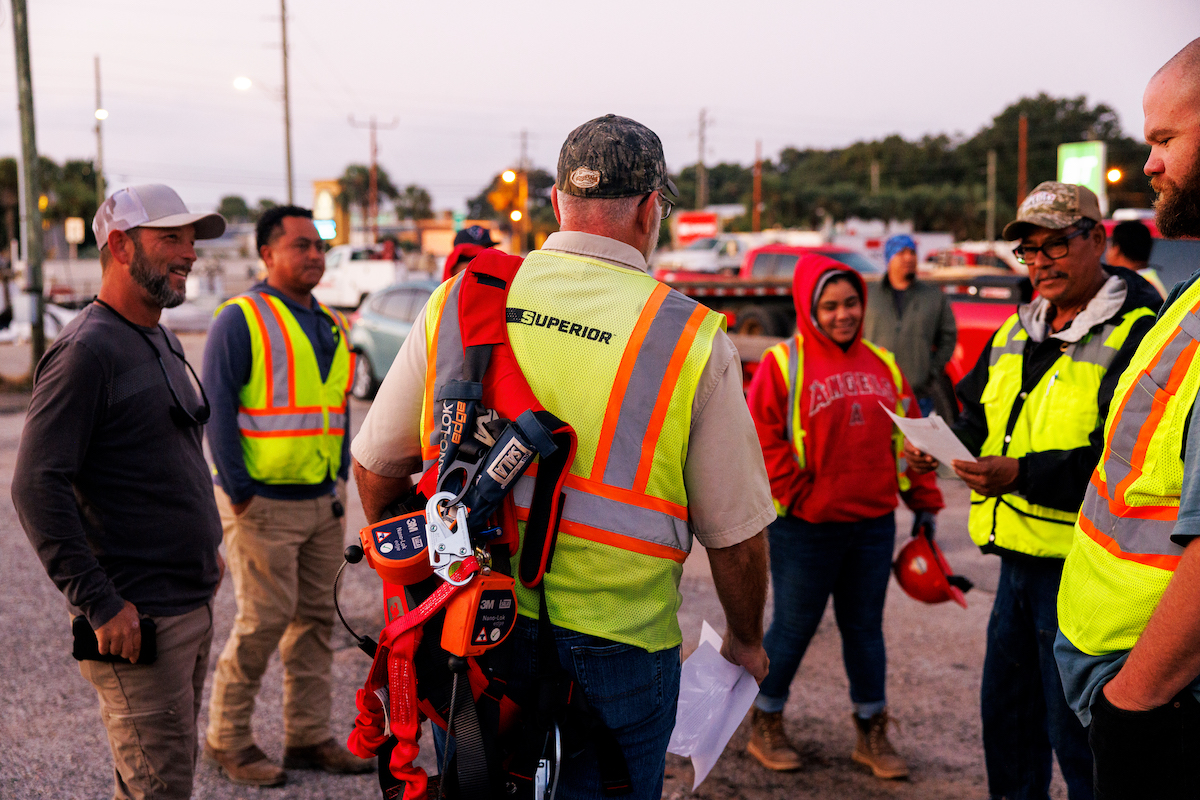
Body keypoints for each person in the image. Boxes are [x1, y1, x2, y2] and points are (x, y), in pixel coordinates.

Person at [351, 113, 773, 798]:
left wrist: (431, 574)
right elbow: (737, 539)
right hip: (622, 648)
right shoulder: (690, 336)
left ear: (555, 203)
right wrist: (746, 640)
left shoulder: (461, 300)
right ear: (649, 210)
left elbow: (376, 469)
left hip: (476, 625)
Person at [907, 181, 1161, 799]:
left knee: (1078, 739)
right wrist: (938, 444)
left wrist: (1017, 473)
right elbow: (974, 416)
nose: (1041, 263)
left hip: (1082, 576)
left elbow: (1122, 465)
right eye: (1029, 251)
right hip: (1015, 570)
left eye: (1055, 245)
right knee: (1010, 726)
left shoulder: (1138, 334)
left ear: (1098, 239)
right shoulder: (1015, 331)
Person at [11, 184, 226, 799]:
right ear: (120, 245)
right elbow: (35, 485)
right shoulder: (86, 351)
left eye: (191, 240)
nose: (188, 254)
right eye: (171, 239)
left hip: (188, 601)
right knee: (157, 789)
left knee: (157, 778)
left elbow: (167, 456)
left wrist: (202, 542)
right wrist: (100, 604)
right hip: (138, 620)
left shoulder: (159, 336)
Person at [1054, 38, 1200, 799]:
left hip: (1159, 696)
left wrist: (1133, 703)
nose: (1148, 163)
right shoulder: (1190, 299)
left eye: (1164, 139)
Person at [745, 253, 943, 779]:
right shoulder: (783, 364)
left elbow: (912, 437)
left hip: (873, 526)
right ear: (809, 308)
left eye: (851, 302)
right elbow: (761, 440)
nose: (842, 314)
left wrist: (925, 501)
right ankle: (764, 720)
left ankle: (871, 731)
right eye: (829, 306)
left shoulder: (884, 363)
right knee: (792, 627)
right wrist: (804, 496)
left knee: (864, 631)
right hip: (805, 529)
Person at [202, 205, 372, 785]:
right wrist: (239, 492)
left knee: (316, 622)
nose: (315, 257)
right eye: (301, 246)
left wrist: (341, 482)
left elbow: (336, 409)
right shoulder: (240, 319)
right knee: (263, 621)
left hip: (323, 501)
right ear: (267, 253)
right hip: (263, 504)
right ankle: (227, 739)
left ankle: (307, 737)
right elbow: (217, 411)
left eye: (319, 247)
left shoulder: (331, 323)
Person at [862, 233, 957, 418]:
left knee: (915, 446)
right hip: (875, 395)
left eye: (912, 252)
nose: (909, 258)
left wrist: (931, 371)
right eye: (901, 252)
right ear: (889, 258)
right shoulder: (868, 296)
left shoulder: (934, 297)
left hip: (918, 396)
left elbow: (948, 338)